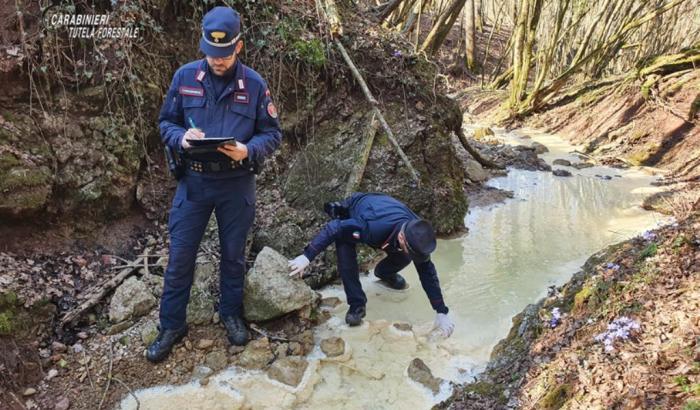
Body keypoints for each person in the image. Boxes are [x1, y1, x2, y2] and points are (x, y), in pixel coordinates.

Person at [147, 6, 282, 363]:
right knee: (180, 259)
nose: (217, 61)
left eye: (223, 54)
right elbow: (165, 124)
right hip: (193, 183)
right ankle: (172, 326)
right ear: (202, 45)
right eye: (211, 53)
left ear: (238, 46)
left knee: (234, 257)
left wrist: (247, 150)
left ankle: (231, 314)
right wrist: (182, 139)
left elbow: (272, 134)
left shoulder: (255, 85)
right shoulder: (185, 77)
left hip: (237, 185)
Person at [289, 193, 455, 337]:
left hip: (384, 208)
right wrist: (306, 257)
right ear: (402, 238)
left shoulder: (417, 230)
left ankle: (384, 273)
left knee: (407, 257)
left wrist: (441, 311)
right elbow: (334, 227)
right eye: (408, 248)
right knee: (345, 250)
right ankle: (357, 305)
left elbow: (427, 273)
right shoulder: (372, 227)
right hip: (361, 209)